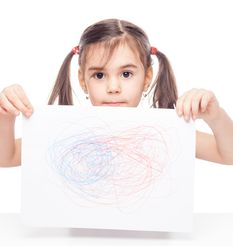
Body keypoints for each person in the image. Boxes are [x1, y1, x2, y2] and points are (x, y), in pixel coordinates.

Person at [0, 18, 233, 167]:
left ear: (147, 78)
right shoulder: (64, 131)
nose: (113, 88)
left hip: (150, 244)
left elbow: (228, 155)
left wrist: (216, 116)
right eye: (99, 75)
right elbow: (6, 158)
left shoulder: (167, 132)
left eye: (126, 74)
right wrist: (5, 116)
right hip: (79, 243)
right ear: (83, 79)